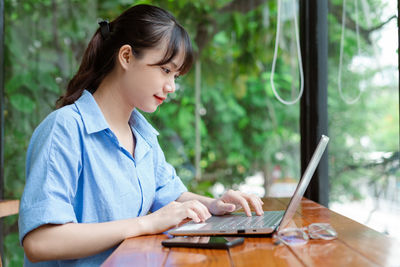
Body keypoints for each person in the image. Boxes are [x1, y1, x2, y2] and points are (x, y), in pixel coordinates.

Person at [19, 4, 264, 266]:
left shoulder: (141, 134)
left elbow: (169, 195)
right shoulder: (65, 129)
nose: (171, 87)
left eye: (176, 75)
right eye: (166, 70)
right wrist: (146, 223)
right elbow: (40, 242)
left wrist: (215, 205)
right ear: (126, 57)